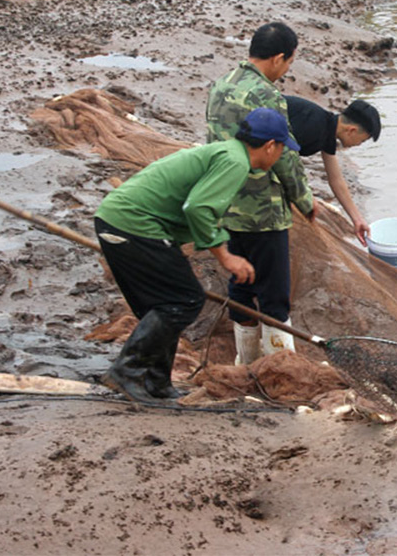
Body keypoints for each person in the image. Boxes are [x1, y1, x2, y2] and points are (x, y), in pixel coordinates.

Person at [95, 108, 300, 402]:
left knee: (164, 304)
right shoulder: (235, 161)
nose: (280, 156)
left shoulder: (226, 151)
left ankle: (156, 382)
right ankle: (126, 371)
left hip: (120, 220)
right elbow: (199, 207)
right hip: (133, 225)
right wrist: (225, 257)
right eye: (281, 150)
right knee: (185, 299)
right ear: (270, 146)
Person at [206, 21, 316, 365]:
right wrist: (306, 202)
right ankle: (278, 371)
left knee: (240, 288)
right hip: (263, 215)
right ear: (279, 58)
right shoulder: (267, 95)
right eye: (288, 64)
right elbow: (283, 159)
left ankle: (245, 364)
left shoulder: (220, 85)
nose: (285, 72)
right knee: (274, 297)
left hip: (227, 207)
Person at [284, 94, 381, 246]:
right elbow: (283, 160)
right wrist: (305, 198)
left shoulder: (326, 128)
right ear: (351, 130)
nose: (359, 145)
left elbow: (336, 179)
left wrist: (357, 219)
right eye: (362, 141)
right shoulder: (313, 126)